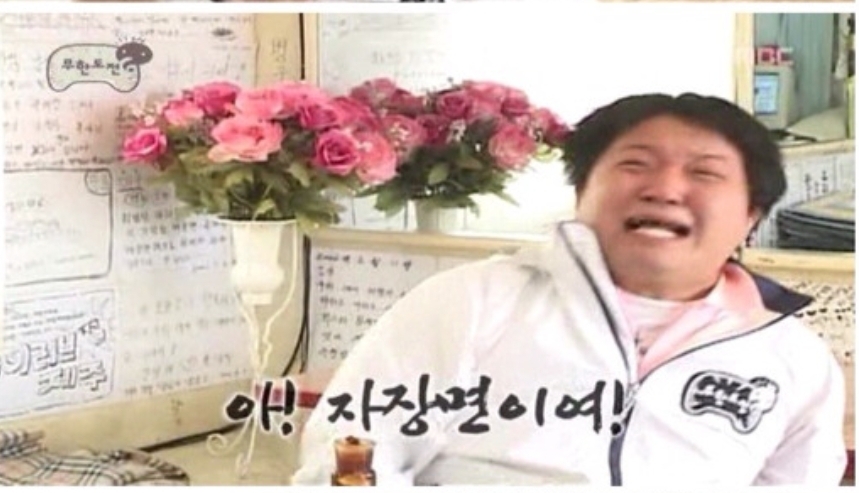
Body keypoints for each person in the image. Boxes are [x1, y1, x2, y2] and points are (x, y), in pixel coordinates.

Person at [291, 93, 847, 486]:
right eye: (635, 164)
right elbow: (348, 456)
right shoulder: (471, 301)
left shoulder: (793, 358)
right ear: (582, 193)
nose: (665, 188)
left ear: (751, 215)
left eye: (704, 173)